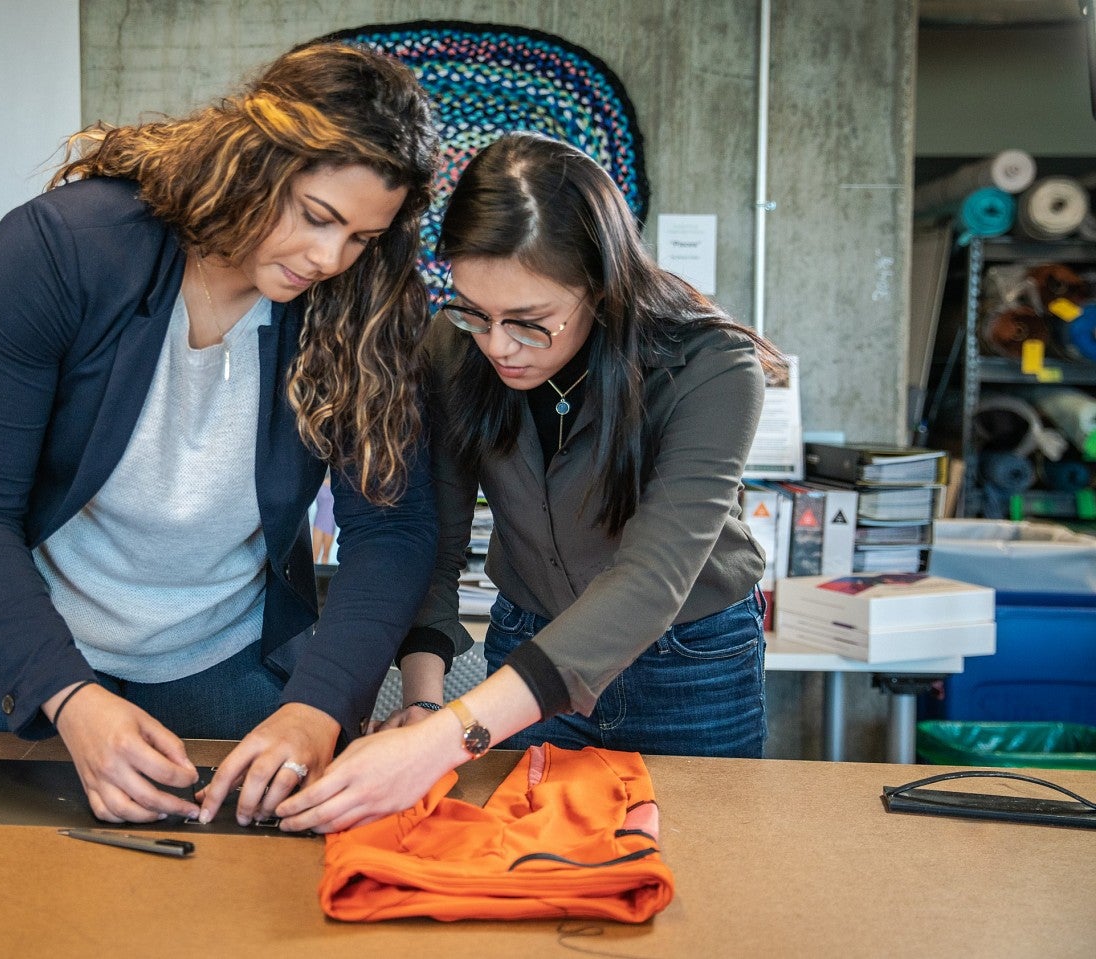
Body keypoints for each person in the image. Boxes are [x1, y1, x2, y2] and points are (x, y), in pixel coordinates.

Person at [0, 41, 440, 828]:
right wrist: (69, 696)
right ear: (254, 160)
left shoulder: (366, 305)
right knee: (3, 915)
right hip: (31, 648)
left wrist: (320, 707)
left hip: (227, 664)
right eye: (317, 216)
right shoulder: (60, 251)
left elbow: (393, 531)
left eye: (363, 237)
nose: (330, 258)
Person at [277, 133, 785, 834]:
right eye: (475, 311)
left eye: (530, 322)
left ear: (601, 285)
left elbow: (651, 579)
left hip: (688, 663)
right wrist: (424, 699)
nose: (497, 345)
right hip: (528, 651)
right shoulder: (455, 350)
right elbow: (436, 540)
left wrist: (440, 740)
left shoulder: (712, 366)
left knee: (699, 872)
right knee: (526, 864)